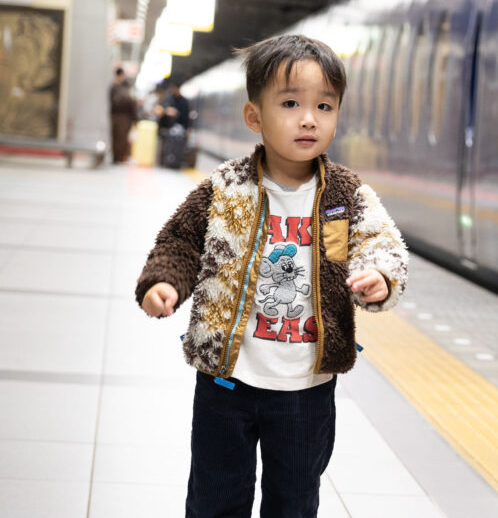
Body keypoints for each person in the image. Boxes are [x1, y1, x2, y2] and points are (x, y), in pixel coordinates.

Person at [134, 34, 409, 518]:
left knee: (295, 501)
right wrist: (164, 282)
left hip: (307, 386)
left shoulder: (345, 194)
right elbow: (179, 241)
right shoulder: (225, 188)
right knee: (216, 499)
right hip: (227, 381)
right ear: (254, 117)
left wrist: (381, 278)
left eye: (325, 105)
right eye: (290, 103)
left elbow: (382, 247)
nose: (309, 118)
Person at [108, 67, 137, 163]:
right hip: (116, 115)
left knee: (122, 138)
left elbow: (131, 102)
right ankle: (116, 158)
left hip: (125, 117)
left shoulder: (126, 87)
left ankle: (120, 158)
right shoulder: (114, 87)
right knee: (115, 137)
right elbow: (114, 102)